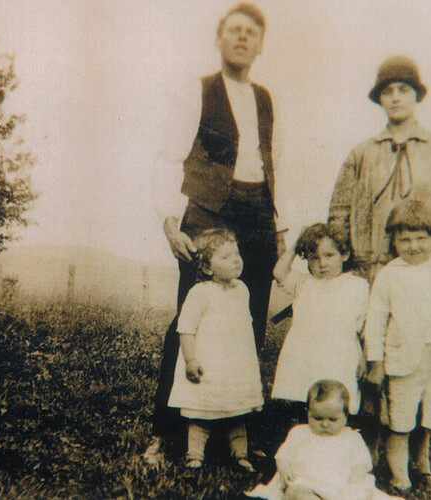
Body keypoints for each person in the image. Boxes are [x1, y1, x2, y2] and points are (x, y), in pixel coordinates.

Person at [327, 54, 431, 472]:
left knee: (424, 363)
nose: (396, 98)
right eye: (388, 91)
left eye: (404, 90)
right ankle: (367, 453)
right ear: (379, 99)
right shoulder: (361, 153)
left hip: (425, 277)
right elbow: (339, 213)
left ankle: (420, 458)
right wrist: (343, 265)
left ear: (417, 95)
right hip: (371, 272)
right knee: (373, 364)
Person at [145, 2, 289, 462]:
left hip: (259, 215)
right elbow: (168, 156)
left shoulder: (266, 98)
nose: (242, 38)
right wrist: (170, 221)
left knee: (247, 322)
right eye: (234, 30)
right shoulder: (199, 90)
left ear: (261, 44)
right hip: (208, 212)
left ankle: (233, 428)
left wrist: (279, 229)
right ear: (219, 38)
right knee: (193, 319)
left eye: (251, 32)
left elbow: (277, 163)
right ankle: (168, 433)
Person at [363, 200, 431, 498]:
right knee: (400, 424)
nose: (413, 246)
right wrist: (376, 361)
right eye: (404, 239)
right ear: (394, 240)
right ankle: (402, 480)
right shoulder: (389, 274)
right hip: (402, 361)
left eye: (421, 238)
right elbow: (375, 320)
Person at [167, 228, 263, 471]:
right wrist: (190, 360)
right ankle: (195, 455)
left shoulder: (242, 290)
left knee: (237, 411)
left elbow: (246, 331)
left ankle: (240, 455)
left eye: (237, 253)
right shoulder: (200, 292)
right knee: (201, 411)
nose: (235, 260)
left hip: (235, 365)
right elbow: (186, 328)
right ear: (208, 268)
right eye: (225, 257)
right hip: (208, 363)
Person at [271, 223, 368, 434]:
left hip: (339, 354)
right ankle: (301, 440)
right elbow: (279, 272)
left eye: (329, 255)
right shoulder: (304, 283)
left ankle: (339, 440)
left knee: (336, 398)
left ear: (344, 254)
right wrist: (298, 242)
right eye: (315, 258)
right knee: (302, 398)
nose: (322, 264)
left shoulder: (357, 286)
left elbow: (363, 327)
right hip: (304, 353)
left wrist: (364, 357)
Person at [245, 380, 402, 500]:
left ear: (346, 416)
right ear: (308, 412)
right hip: (305, 481)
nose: (325, 424)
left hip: (341, 485)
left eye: (332, 419)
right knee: (296, 493)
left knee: (362, 494)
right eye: (317, 418)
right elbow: (283, 456)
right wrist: (285, 470)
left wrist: (354, 481)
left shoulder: (352, 437)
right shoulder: (299, 433)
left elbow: (360, 463)